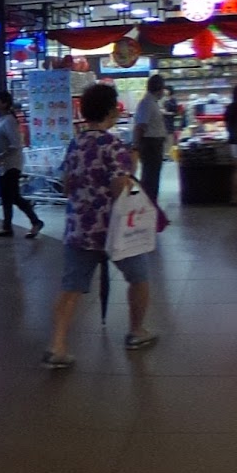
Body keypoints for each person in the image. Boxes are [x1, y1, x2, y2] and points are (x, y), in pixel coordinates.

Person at [46, 81, 158, 366]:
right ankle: (136, 331)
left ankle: (57, 346)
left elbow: (66, 185)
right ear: (111, 111)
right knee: (139, 278)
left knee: (71, 287)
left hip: (79, 228)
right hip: (114, 230)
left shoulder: (76, 143)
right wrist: (132, 168)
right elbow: (121, 187)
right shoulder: (113, 145)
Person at [0, 95, 46, 242]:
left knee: (13, 196)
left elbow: (15, 144)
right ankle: (7, 226)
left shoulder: (9, 121)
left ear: (5, 103)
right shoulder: (2, 119)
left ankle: (36, 221)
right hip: (4, 166)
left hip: (10, 165)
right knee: (7, 197)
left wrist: (1, 157)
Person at [132, 77, 173, 205]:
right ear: (159, 88)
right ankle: (148, 207)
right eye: (162, 88)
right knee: (150, 178)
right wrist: (136, 145)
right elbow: (140, 126)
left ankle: (150, 207)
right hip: (150, 145)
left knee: (152, 177)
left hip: (153, 144)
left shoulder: (151, 102)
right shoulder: (147, 103)